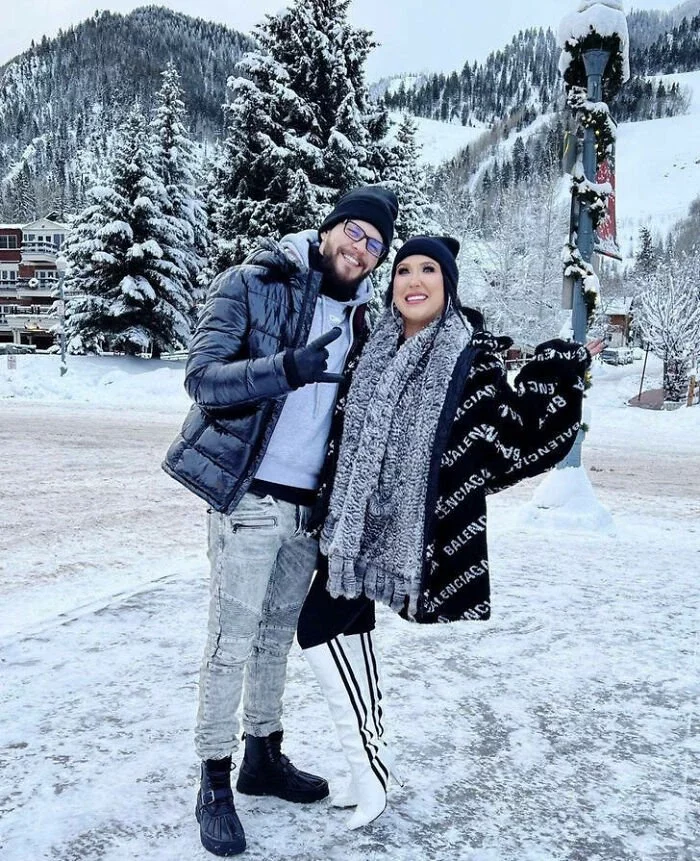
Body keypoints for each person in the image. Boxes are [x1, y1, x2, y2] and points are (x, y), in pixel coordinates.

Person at [296, 235, 603, 829]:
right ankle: (371, 769)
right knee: (347, 634)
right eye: (403, 269)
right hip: (350, 530)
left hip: (409, 537)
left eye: (428, 270)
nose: (413, 280)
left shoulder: (471, 356)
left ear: (448, 284)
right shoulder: (372, 347)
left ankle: (371, 774)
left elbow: (516, 436)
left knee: (317, 629)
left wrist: (566, 365)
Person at [162, 185, 399, 857]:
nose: (360, 249)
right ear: (328, 229)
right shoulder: (252, 282)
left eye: (375, 244)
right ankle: (214, 778)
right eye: (354, 231)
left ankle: (262, 754)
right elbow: (202, 379)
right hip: (248, 495)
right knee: (229, 639)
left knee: (272, 640)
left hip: (307, 508)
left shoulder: (365, 321)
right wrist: (283, 370)